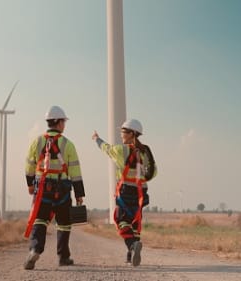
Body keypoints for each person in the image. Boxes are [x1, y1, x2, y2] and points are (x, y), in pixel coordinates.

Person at [23, 105, 85, 270]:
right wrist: (79, 193)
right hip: (63, 189)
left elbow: (29, 165)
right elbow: (75, 171)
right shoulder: (68, 144)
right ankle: (63, 257)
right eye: (63, 121)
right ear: (58, 122)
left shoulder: (36, 141)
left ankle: (35, 249)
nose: (64, 125)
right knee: (64, 223)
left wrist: (30, 185)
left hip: (42, 187)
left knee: (40, 220)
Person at [92, 119, 156, 266]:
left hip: (126, 191)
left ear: (131, 133)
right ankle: (130, 254)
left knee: (121, 220)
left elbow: (106, 148)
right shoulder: (146, 151)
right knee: (135, 222)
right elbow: (153, 172)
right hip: (141, 193)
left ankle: (133, 245)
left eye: (123, 131)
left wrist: (97, 139)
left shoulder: (121, 150)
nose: (121, 134)